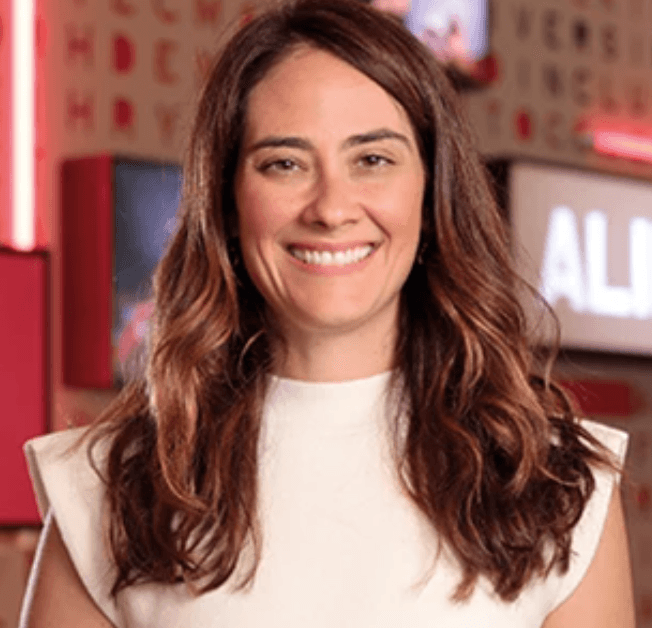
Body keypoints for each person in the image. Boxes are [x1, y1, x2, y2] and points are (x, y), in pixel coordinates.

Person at [20, 1, 634, 626]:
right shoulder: (112, 491)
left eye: (372, 160)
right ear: (228, 203)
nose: (332, 208)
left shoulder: (556, 486)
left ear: (432, 194)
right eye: (284, 164)